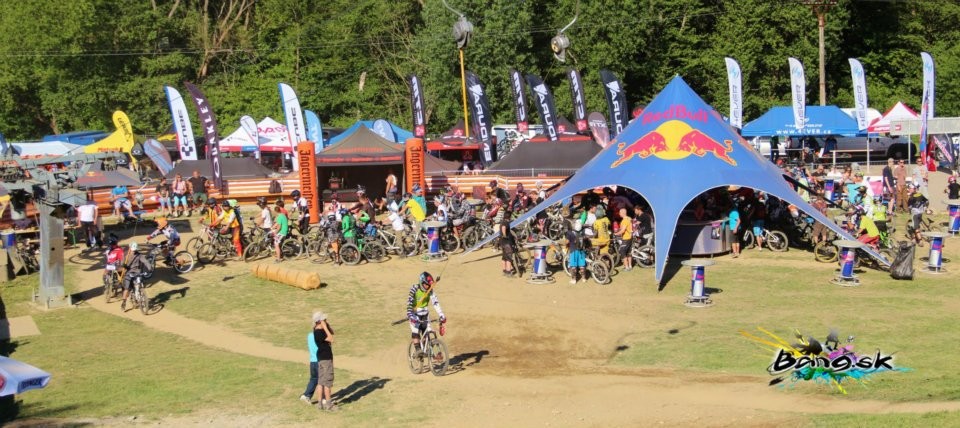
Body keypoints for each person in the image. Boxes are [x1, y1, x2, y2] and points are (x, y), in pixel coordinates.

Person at [406, 272, 446, 347]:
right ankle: (418, 350)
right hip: (415, 315)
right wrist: (410, 315)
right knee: (415, 333)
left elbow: (435, 303)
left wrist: (441, 314)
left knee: (427, 333)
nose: (428, 286)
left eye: (429, 285)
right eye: (426, 284)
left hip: (425, 315)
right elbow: (409, 303)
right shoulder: (414, 289)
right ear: (421, 283)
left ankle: (428, 350)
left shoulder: (430, 290)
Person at [311, 311, 337, 411]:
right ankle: (329, 405)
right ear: (320, 321)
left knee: (321, 381)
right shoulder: (319, 332)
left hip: (321, 358)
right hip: (326, 359)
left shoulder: (316, 330)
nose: (326, 321)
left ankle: (320, 404)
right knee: (327, 382)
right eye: (324, 320)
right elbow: (331, 338)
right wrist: (325, 327)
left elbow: (332, 332)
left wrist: (326, 326)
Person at [120, 242, 151, 312]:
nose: (134, 251)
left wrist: (149, 268)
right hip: (129, 272)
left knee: (140, 282)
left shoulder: (140, 255)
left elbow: (145, 262)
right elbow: (122, 263)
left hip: (137, 272)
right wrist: (124, 265)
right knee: (127, 288)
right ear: (130, 249)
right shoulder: (126, 255)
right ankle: (124, 302)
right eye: (133, 250)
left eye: (135, 250)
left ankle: (140, 294)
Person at [300, 315, 320, 405]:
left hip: (312, 361)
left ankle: (306, 395)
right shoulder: (319, 336)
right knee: (321, 381)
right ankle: (323, 399)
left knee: (314, 379)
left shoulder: (310, 335)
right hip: (319, 361)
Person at [499, 206, 517, 276]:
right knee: (509, 257)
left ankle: (504, 270)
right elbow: (504, 228)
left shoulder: (502, 222)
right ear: (509, 217)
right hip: (506, 242)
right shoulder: (506, 222)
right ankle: (508, 272)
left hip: (502, 242)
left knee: (504, 257)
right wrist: (504, 235)